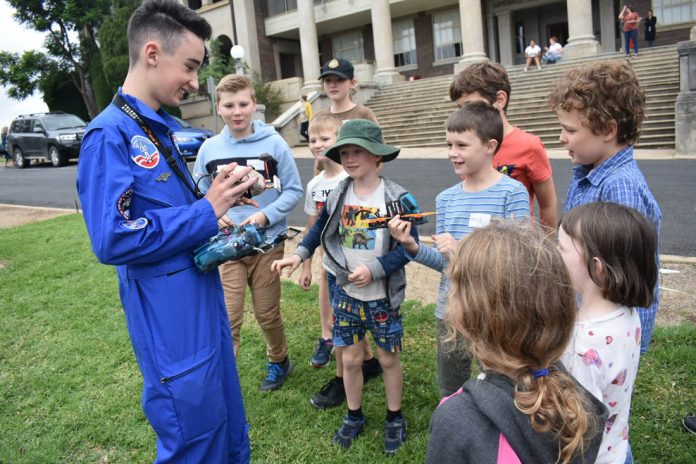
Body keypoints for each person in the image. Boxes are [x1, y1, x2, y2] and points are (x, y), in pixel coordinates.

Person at [76, 1, 254, 461]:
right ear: (153, 53)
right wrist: (204, 211)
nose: (196, 81)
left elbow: (167, 210)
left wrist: (218, 201)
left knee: (223, 421)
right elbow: (112, 236)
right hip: (168, 316)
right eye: (191, 66)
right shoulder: (109, 135)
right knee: (192, 436)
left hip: (199, 298)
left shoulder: (162, 129)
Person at [272, 119, 417, 455]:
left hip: (382, 297)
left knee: (387, 357)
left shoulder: (398, 197)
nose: (350, 159)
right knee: (350, 358)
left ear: (377, 157)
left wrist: (377, 268)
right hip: (346, 294)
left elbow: (411, 248)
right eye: (345, 152)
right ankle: (354, 414)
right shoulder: (339, 192)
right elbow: (318, 228)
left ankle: (394, 417)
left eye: (358, 152)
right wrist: (300, 255)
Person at [426, 221, 607, 464]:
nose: (451, 293)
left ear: (469, 314)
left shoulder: (457, 419)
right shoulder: (573, 399)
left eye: (457, 283)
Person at [388, 101, 530, 398]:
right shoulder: (446, 199)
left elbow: (517, 261)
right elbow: (445, 265)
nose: (453, 152)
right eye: (449, 144)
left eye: (462, 145)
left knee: (500, 385)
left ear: (490, 146)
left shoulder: (511, 192)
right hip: (451, 311)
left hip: (495, 312)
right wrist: (411, 245)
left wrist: (462, 250)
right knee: (451, 386)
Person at [193, 74, 303, 392]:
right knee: (229, 318)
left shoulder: (274, 144)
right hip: (226, 247)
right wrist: (215, 215)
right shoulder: (209, 149)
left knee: (267, 313)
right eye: (229, 105)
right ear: (219, 107)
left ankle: (279, 360)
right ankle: (225, 381)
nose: (237, 111)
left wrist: (264, 216)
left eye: (243, 104)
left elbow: (293, 190)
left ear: (254, 104)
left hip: (266, 244)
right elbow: (199, 193)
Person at [548, 60, 662, 354]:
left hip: (607, 334)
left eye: (569, 130)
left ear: (609, 129)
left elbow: (622, 278)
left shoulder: (620, 188)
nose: (562, 138)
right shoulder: (588, 170)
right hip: (589, 319)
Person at [558, 202, 658, 464]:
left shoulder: (580, 345)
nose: (555, 255)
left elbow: (574, 425)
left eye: (561, 249)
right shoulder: (627, 313)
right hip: (617, 448)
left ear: (596, 267)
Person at [310, 56, 384, 406]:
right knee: (336, 300)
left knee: (360, 294)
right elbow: (320, 169)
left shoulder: (363, 115)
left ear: (352, 82)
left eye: (339, 79)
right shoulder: (320, 118)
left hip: (359, 225)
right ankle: (357, 360)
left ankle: (357, 364)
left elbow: (375, 156)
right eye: (327, 79)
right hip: (332, 233)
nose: (332, 85)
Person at [449, 62, 558, 229]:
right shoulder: (467, 148)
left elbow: (548, 205)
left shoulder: (529, 145)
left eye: (471, 105)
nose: (464, 113)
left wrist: (544, 249)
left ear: (499, 100)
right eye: (460, 108)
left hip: (514, 245)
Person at [299, 113, 348, 371]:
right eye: (312, 139)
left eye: (324, 138)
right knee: (337, 311)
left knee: (350, 314)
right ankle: (334, 348)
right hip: (327, 259)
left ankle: (363, 360)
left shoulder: (350, 179)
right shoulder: (314, 185)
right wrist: (306, 266)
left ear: (339, 140)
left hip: (352, 260)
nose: (317, 144)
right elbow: (311, 227)